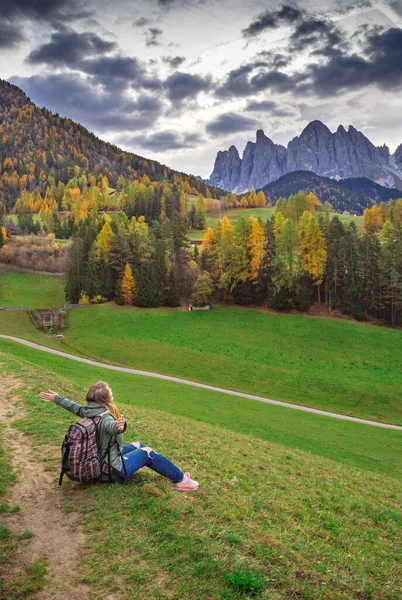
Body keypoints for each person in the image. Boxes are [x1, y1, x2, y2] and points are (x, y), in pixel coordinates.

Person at [39, 381, 199, 491]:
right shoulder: (106, 418)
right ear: (104, 399)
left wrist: (57, 398)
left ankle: (176, 473)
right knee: (148, 452)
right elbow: (111, 427)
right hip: (111, 471)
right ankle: (181, 481)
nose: (112, 393)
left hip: (101, 460)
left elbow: (73, 406)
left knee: (138, 445)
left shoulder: (88, 410)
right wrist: (119, 427)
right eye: (110, 392)